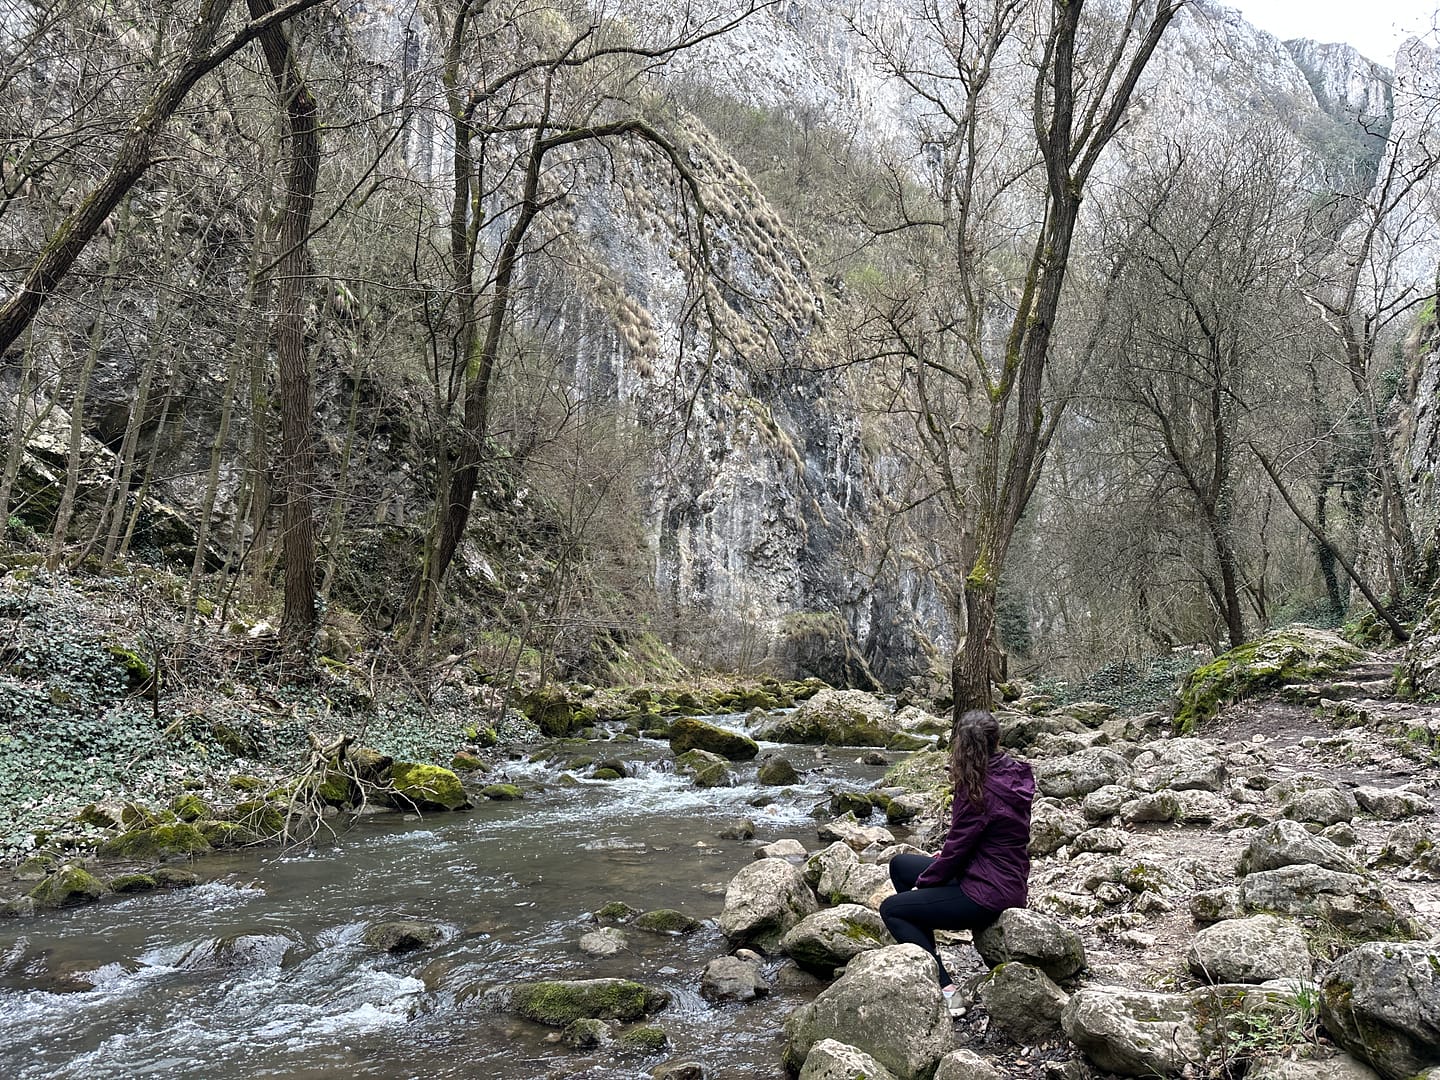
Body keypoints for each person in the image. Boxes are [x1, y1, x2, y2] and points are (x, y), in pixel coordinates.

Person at [879, 708, 1035, 1008]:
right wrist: (933, 872)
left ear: (961, 747)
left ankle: (947, 990)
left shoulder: (978, 791)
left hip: (986, 893)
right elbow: (972, 844)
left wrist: (925, 883)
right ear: (996, 740)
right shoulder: (1013, 774)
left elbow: (956, 851)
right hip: (1001, 878)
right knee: (900, 865)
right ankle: (923, 946)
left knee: (893, 909)